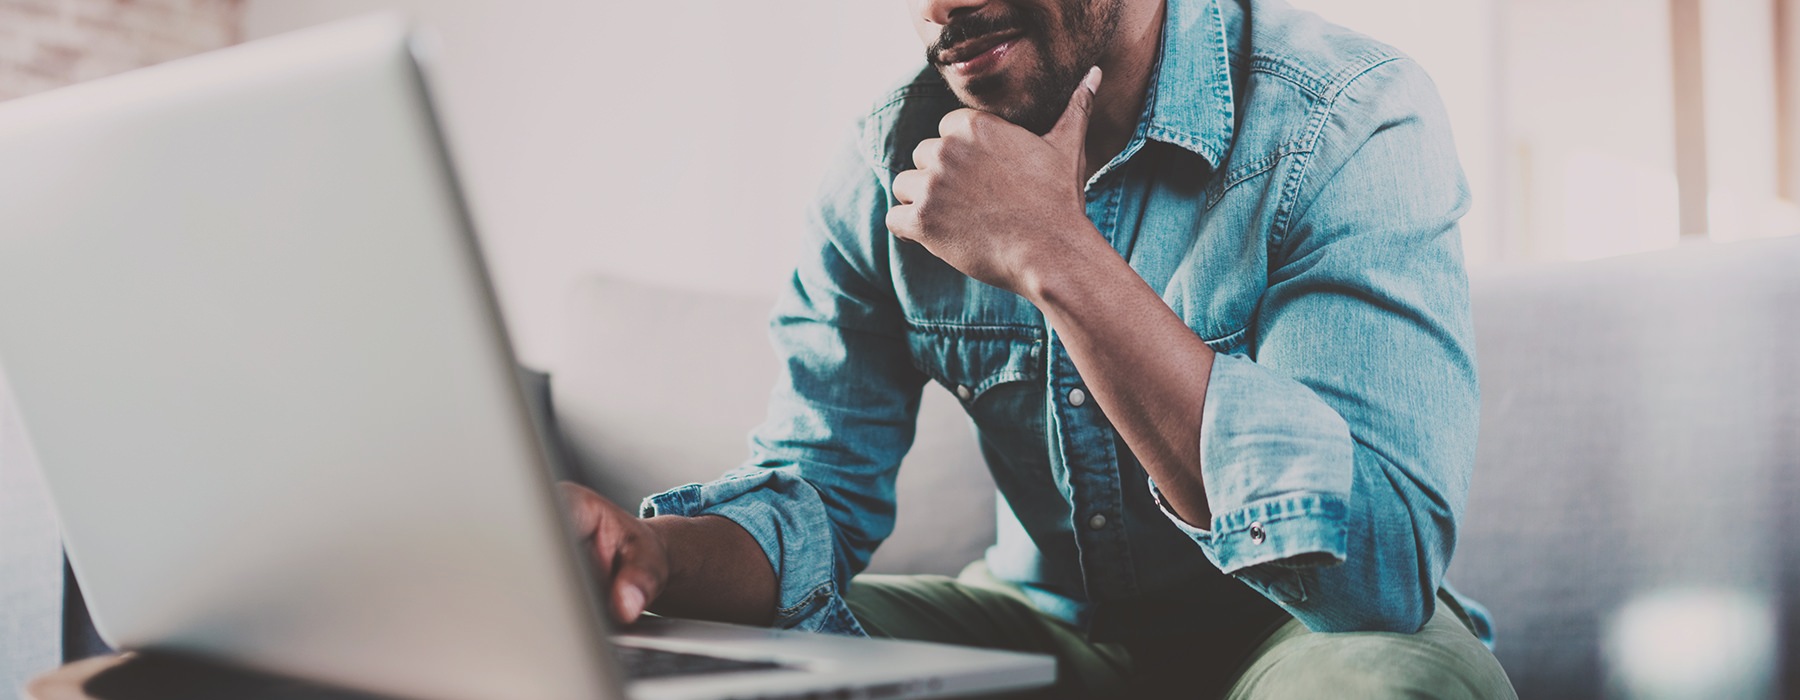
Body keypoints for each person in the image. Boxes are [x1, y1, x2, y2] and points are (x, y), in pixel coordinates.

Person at [560, 0, 1518, 696]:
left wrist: (1056, 250)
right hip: (1047, 625)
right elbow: (816, 493)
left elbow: (1381, 571)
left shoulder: (1343, 119)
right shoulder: (883, 169)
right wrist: (649, 555)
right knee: (694, 652)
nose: (941, 8)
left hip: (1314, 635)